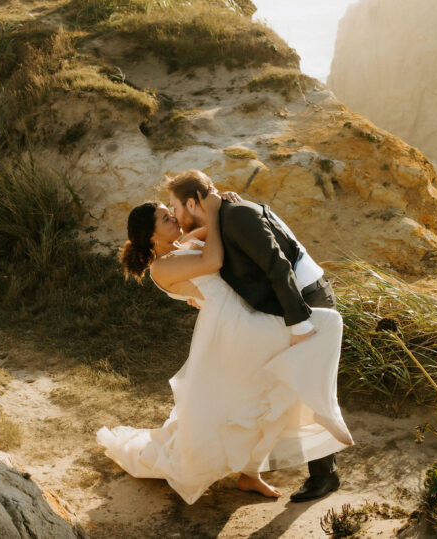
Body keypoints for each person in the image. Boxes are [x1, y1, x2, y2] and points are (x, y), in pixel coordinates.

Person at [96, 180, 352, 505]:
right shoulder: (161, 266)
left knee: (256, 398)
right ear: (151, 237)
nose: (174, 219)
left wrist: (229, 205)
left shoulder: (179, 246)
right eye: (165, 218)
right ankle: (324, 415)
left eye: (170, 211)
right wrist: (216, 213)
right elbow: (214, 260)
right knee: (323, 328)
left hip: (239, 317)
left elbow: (218, 238)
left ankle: (252, 472)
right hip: (234, 326)